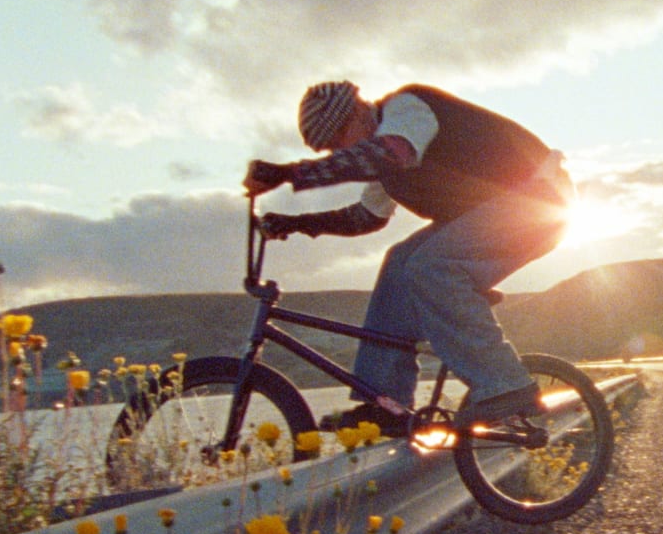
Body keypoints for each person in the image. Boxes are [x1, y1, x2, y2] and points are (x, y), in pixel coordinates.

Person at [242, 81, 574, 436]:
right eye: (331, 149)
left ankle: (505, 385)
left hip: (539, 199)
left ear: (357, 112)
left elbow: (389, 153)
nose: (340, 151)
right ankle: (388, 405)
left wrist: (290, 173)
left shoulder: (407, 110)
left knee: (430, 265)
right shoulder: (383, 154)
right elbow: (366, 217)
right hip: (502, 210)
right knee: (400, 262)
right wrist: (295, 223)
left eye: (338, 140)